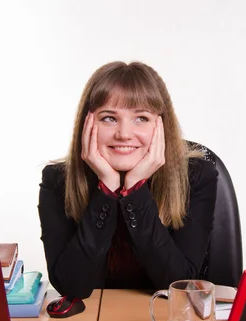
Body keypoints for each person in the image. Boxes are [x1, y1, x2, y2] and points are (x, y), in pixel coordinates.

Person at [38, 61, 218, 307]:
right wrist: (107, 189)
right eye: (109, 118)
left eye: (141, 118)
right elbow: (72, 286)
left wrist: (134, 191)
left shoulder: (196, 176)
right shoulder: (57, 181)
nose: (123, 133)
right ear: (87, 124)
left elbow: (178, 284)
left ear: (161, 125)